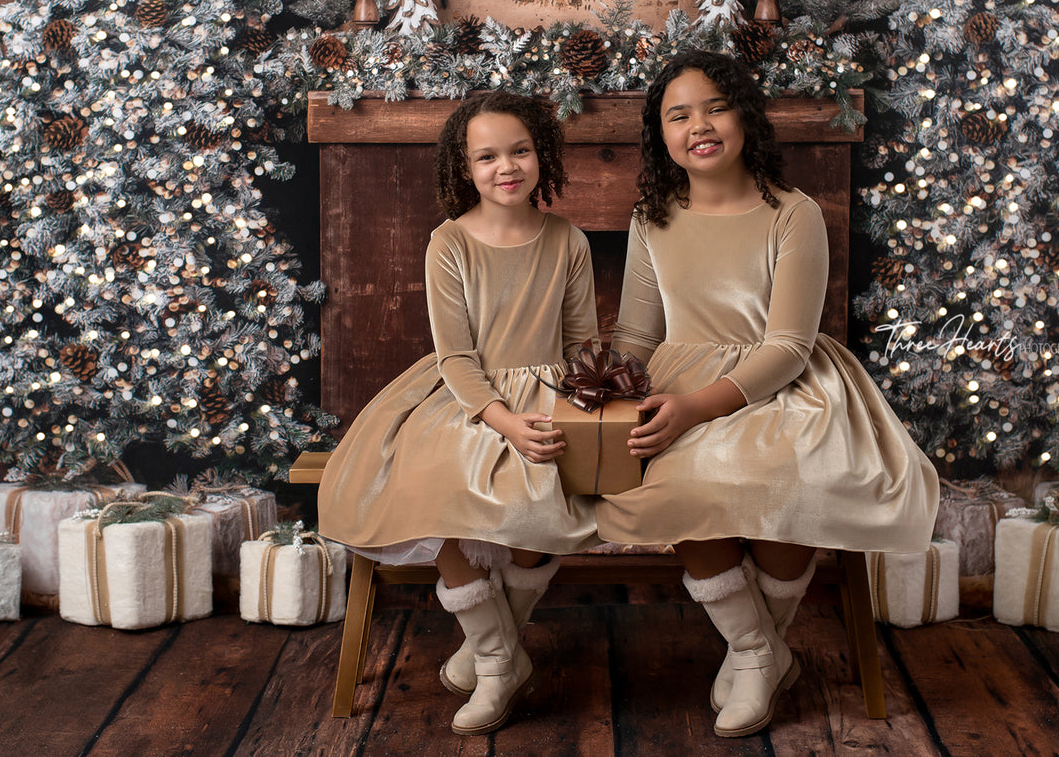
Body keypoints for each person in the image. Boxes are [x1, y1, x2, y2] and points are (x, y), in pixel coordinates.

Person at [594, 51, 938, 737]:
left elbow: (787, 346)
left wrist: (697, 406)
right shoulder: (651, 218)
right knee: (669, 484)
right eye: (678, 114)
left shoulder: (792, 213)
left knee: (789, 479)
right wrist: (606, 386)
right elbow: (636, 330)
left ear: (744, 118)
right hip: (678, 380)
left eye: (715, 107)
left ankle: (753, 651)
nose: (700, 124)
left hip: (782, 383)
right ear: (660, 135)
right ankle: (762, 649)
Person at [318, 91, 600, 735]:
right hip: (466, 394)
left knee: (541, 505)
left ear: (543, 156)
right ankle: (500, 660)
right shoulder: (448, 242)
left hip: (550, 391)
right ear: (464, 168)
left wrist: (582, 399)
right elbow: (456, 354)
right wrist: (501, 419)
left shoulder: (568, 240)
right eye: (488, 156)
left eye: (521, 150)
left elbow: (582, 339)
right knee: (428, 484)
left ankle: (488, 642)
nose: (507, 167)